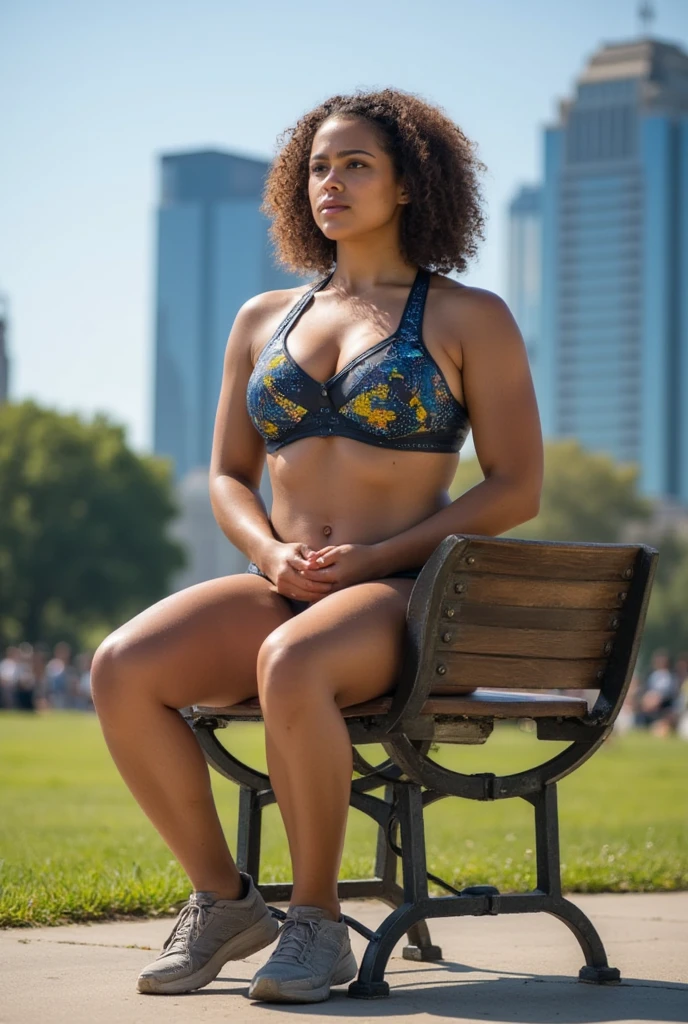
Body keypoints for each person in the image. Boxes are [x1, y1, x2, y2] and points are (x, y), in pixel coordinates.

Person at [91, 87, 543, 1004]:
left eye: (356, 165)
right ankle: (225, 902)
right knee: (120, 667)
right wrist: (264, 553)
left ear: (410, 183)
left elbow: (516, 488)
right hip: (285, 581)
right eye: (317, 167)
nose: (329, 182)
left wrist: (381, 560)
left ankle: (318, 923)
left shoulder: (468, 317)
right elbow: (226, 474)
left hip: (403, 597)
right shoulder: (264, 318)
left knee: (291, 662)